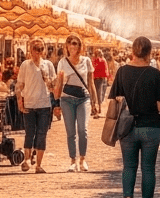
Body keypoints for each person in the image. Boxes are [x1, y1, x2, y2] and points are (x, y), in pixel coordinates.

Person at [110, 36, 160, 198]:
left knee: (129, 166)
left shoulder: (121, 72)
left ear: (133, 52)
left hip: (128, 127)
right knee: (148, 168)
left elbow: (115, 100)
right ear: (149, 53)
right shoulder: (155, 74)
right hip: (150, 127)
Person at [55, 34, 98, 173]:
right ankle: (73, 160)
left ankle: (83, 159)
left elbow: (91, 83)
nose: (72, 46)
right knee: (70, 132)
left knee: (82, 130)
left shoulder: (86, 61)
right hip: (66, 99)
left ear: (80, 46)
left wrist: (94, 102)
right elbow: (59, 83)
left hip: (83, 98)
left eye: (75, 43)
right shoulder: (62, 62)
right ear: (66, 46)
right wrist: (56, 102)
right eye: (70, 43)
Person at [16, 40, 56, 173]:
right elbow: (19, 85)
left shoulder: (48, 65)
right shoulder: (25, 65)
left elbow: (53, 88)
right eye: (35, 49)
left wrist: (48, 80)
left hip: (44, 104)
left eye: (40, 49)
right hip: (29, 103)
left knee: (42, 134)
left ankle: (38, 165)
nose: (38, 52)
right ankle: (27, 160)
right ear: (30, 50)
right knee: (29, 133)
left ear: (43, 50)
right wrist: (19, 102)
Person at [91, 49, 109, 114]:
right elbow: (105, 70)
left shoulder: (95, 60)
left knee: (94, 94)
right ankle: (99, 108)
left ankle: (95, 108)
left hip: (96, 79)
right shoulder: (104, 60)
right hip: (102, 79)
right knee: (100, 93)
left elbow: (93, 68)